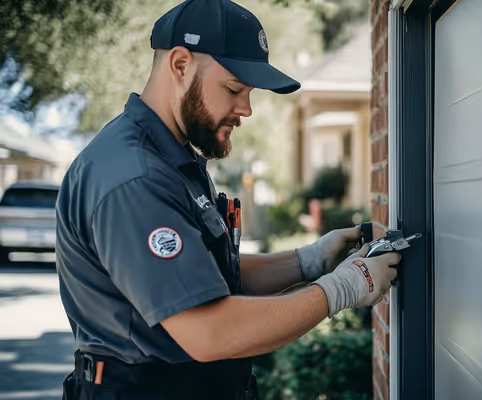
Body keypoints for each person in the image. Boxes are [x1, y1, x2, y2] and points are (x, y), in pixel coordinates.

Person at [56, 0, 401, 398]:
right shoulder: (134, 177)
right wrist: (339, 290)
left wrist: (310, 261)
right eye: (234, 89)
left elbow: (203, 277)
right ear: (180, 65)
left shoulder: (172, 159)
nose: (247, 109)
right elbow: (209, 331)